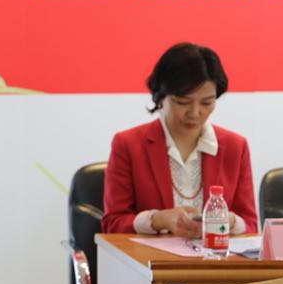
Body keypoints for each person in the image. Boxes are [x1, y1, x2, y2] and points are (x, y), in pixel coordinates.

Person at [101, 42, 257, 237]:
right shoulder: (128, 145)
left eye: (207, 102)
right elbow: (112, 223)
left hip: (215, 255)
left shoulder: (235, 147)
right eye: (183, 102)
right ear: (160, 97)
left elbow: (250, 225)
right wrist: (158, 220)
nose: (195, 112)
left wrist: (229, 221)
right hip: (150, 256)